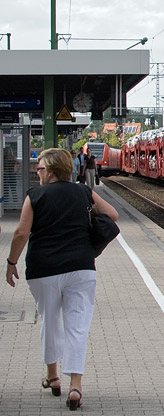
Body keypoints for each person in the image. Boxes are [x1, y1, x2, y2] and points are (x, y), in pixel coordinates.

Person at [5, 148, 118, 411]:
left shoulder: (35, 195)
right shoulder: (82, 191)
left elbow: (21, 233)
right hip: (81, 267)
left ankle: (53, 376)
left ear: (52, 169)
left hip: (43, 269)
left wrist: (11, 263)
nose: (37, 171)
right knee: (77, 326)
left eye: (41, 167)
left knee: (49, 320)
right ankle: (75, 386)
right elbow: (112, 215)